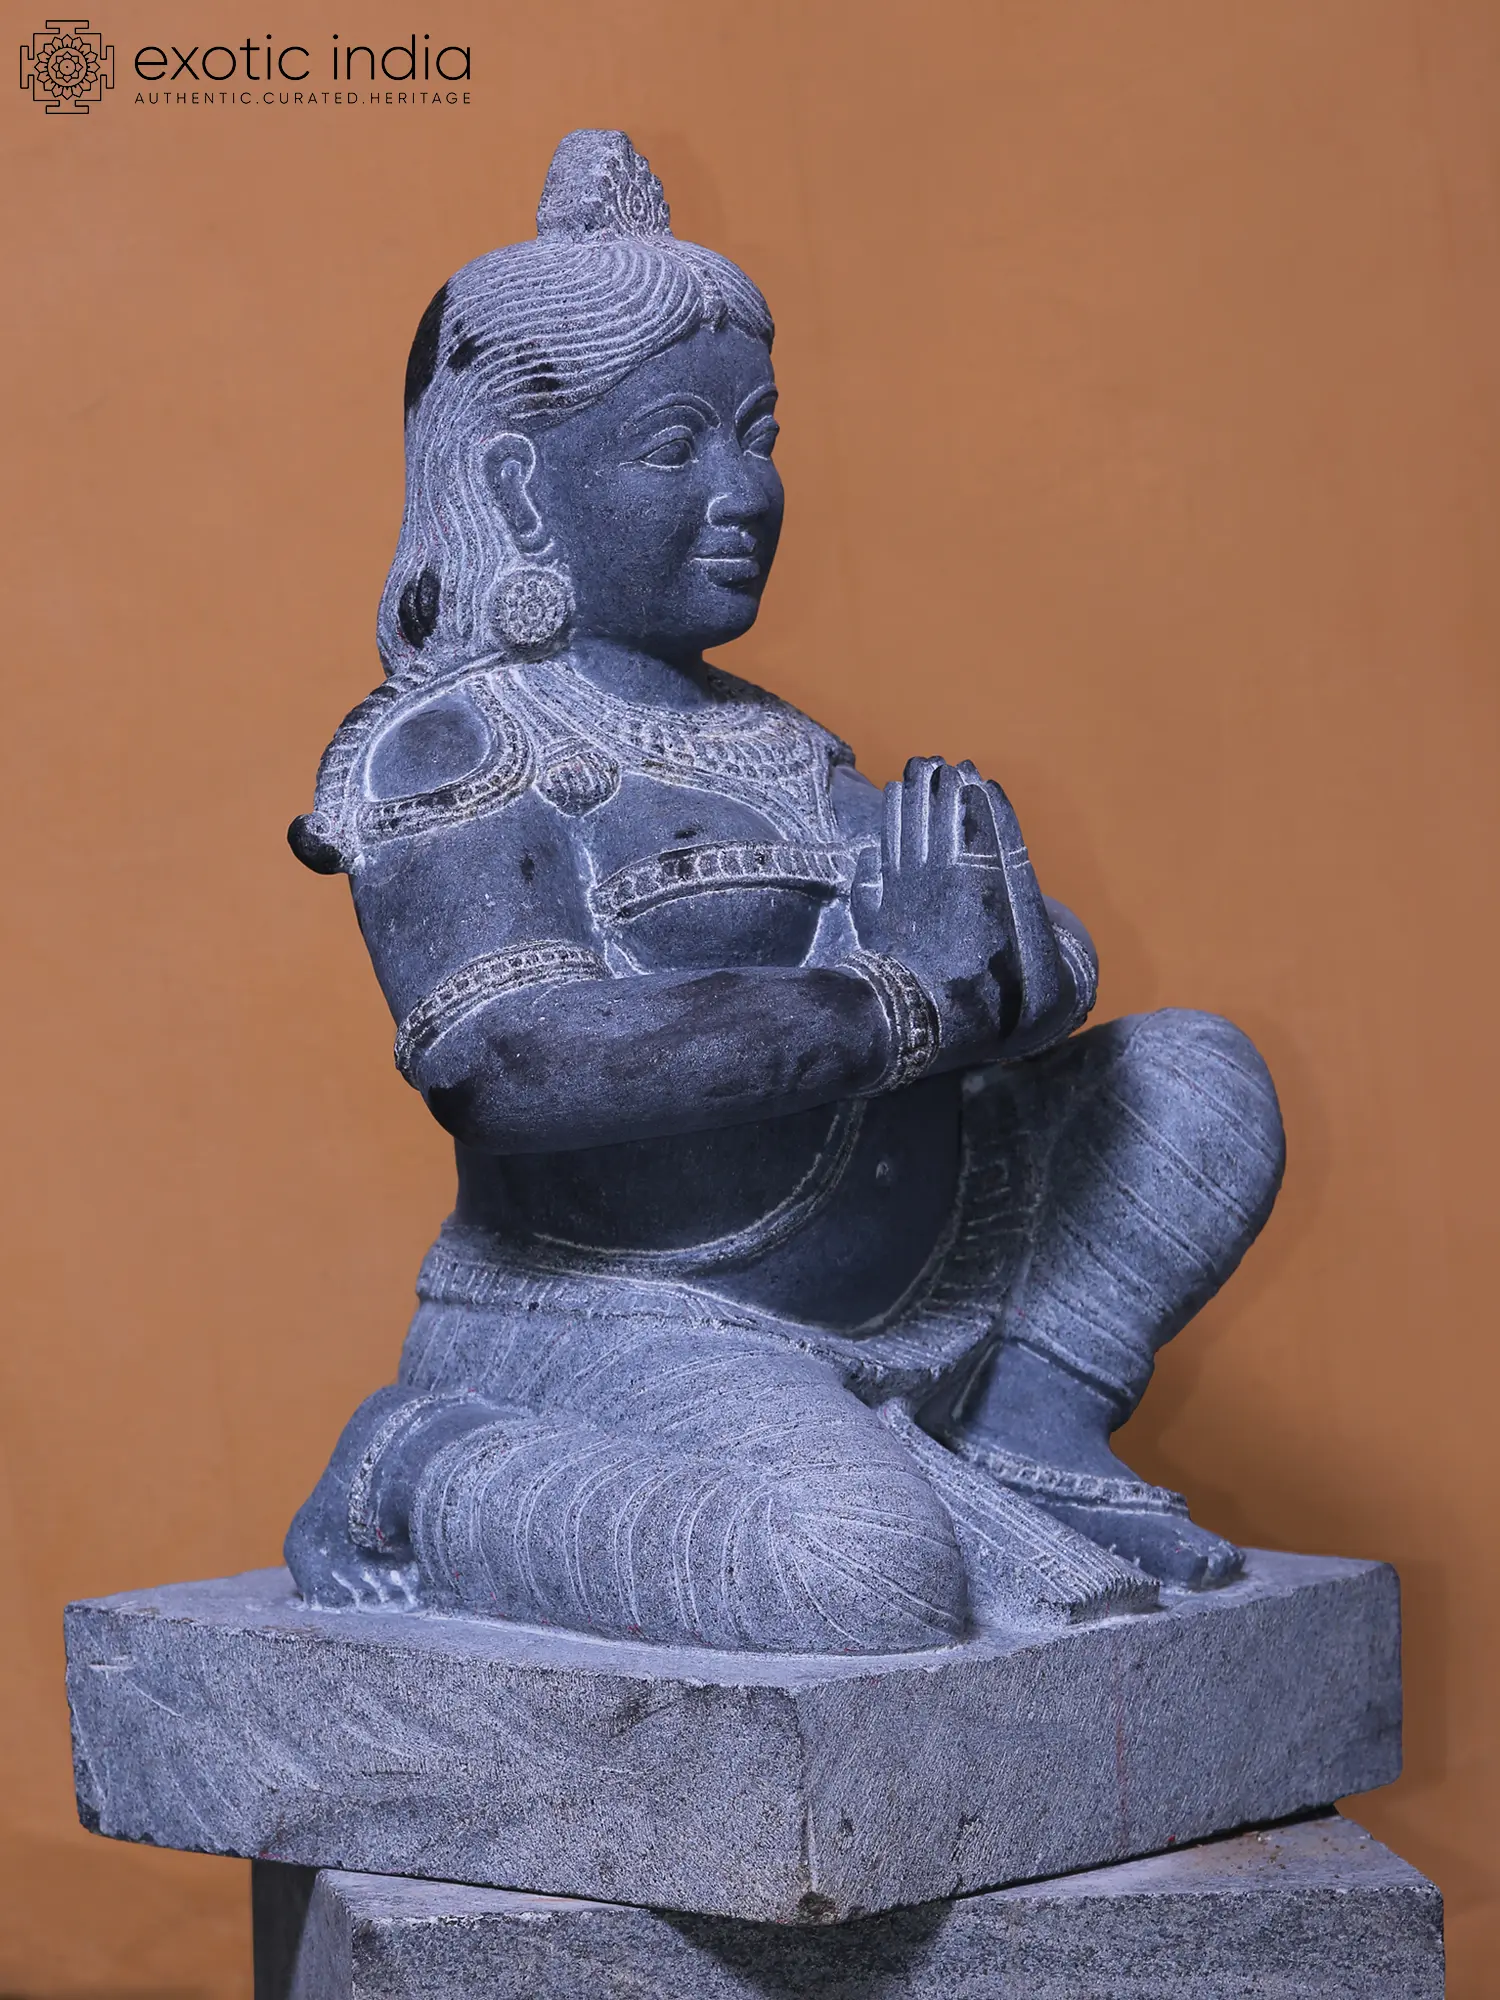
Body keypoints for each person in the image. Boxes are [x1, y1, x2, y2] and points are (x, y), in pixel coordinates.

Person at [285, 131, 1284, 1654]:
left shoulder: (776, 740)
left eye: (759, 436)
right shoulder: (463, 743)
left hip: (930, 1284)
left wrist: (1021, 964)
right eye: (673, 446)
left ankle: (1025, 1416)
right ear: (516, 487)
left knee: (1192, 1079)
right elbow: (509, 1064)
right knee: (855, 1577)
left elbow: (990, 958)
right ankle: (424, 1467)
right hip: (636, 1312)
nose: (743, 490)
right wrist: (898, 1002)